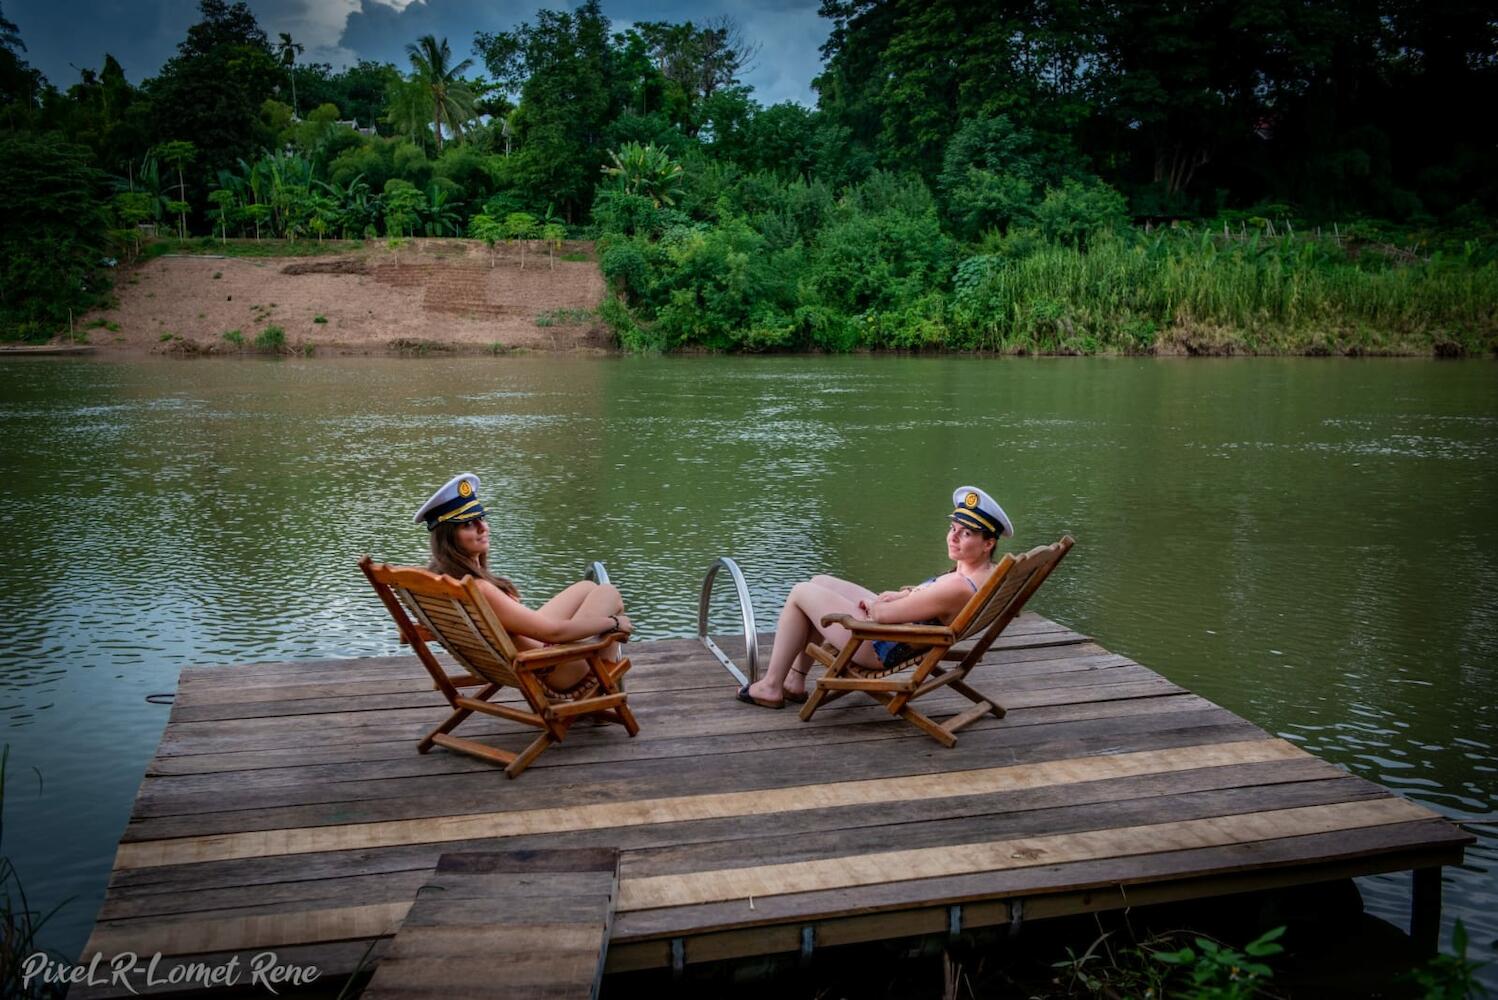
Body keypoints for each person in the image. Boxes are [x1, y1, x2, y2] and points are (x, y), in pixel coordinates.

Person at [737, 486, 1014, 709]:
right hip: (903, 632)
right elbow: (932, 598)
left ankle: (772, 686)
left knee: (801, 592)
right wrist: (903, 594)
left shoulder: (959, 587)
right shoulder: (986, 574)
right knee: (819, 582)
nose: (953, 537)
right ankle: (795, 681)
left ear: (988, 543)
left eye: (966, 533)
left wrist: (875, 605)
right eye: (953, 528)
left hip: (877, 644)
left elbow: (882, 616)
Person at [415, 472, 631, 691]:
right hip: (552, 668)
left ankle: (599, 686)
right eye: (468, 524)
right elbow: (555, 633)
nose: (483, 528)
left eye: (481, 518)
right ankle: (601, 692)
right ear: (448, 537)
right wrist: (614, 623)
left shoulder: (440, 581)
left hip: (528, 655)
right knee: (608, 594)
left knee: (587, 587)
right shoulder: (479, 588)